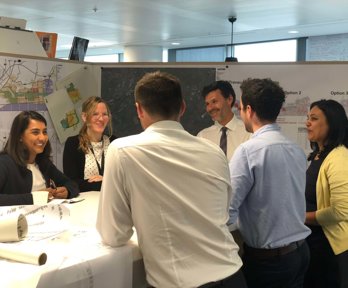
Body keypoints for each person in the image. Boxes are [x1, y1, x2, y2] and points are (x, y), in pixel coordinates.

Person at [96, 71, 247, 288]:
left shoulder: (122, 151)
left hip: (182, 283)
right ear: (183, 107)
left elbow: (113, 234)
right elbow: (222, 214)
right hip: (233, 274)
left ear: (139, 109)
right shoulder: (213, 151)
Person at [229, 78, 311, 288]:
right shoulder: (295, 149)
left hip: (269, 261)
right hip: (300, 252)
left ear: (249, 109)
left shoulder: (248, 151)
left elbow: (227, 209)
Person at [304, 99, 348, 288]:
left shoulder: (338, 157)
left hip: (331, 250)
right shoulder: (317, 155)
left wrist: (301, 217)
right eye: (307, 118)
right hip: (315, 246)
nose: (307, 123)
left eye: (313, 118)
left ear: (332, 123)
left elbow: (342, 210)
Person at [0, 111, 79, 206]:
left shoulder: (43, 162)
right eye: (35, 132)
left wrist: (67, 191)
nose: (42, 138)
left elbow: (71, 184)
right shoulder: (4, 163)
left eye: (44, 132)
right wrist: (34, 197)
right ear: (20, 137)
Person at [63, 96, 116, 192]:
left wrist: (104, 180)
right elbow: (71, 184)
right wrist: (107, 182)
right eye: (95, 114)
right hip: (84, 204)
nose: (101, 118)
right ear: (84, 117)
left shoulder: (114, 142)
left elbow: (124, 179)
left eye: (105, 114)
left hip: (111, 201)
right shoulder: (73, 144)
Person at [197, 80, 251, 161]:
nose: (210, 108)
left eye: (214, 101)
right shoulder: (203, 137)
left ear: (229, 99)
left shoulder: (248, 134)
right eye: (207, 104)